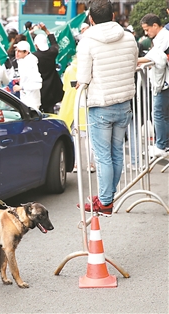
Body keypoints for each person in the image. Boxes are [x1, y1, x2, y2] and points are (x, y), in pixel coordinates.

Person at [76, 0, 138, 216]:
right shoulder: (129, 37)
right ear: (113, 16)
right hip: (124, 102)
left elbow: (83, 77)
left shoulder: (87, 41)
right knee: (116, 152)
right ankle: (108, 196)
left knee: (103, 156)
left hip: (101, 104)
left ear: (91, 19)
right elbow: (133, 65)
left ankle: (105, 202)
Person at [137, 14, 169, 158]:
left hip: (163, 82)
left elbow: (155, 57)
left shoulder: (164, 37)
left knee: (158, 113)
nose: (146, 33)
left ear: (155, 25)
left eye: (147, 29)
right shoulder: (160, 37)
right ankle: (163, 144)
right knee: (162, 114)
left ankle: (162, 145)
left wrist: (135, 60)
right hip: (162, 81)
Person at [33, 23, 64, 113]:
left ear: (36, 45)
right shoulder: (52, 53)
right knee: (50, 111)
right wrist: (46, 30)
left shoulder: (34, 57)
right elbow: (54, 44)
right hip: (53, 88)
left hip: (41, 89)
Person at [12, 41, 42, 110]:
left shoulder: (31, 63)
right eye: (16, 50)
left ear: (26, 52)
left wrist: (21, 87)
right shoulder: (22, 61)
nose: (16, 53)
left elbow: (38, 84)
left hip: (32, 103)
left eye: (19, 51)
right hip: (25, 100)